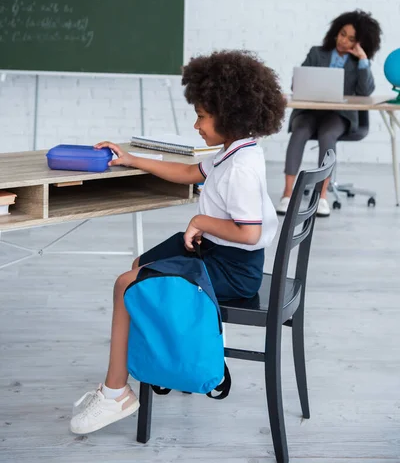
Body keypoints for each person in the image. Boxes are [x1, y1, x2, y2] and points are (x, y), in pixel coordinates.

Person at [69, 50, 286, 435]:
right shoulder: (234, 151)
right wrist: (131, 158)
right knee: (139, 267)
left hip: (234, 271)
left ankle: (116, 392)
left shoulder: (239, 169)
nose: (196, 123)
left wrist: (202, 219)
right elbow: (188, 170)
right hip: (219, 253)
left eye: (202, 115)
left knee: (125, 284)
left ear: (230, 115)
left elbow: (250, 234)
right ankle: (163, 360)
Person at [276, 10, 382, 218]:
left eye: (351, 39)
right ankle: (287, 194)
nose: (344, 41)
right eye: (342, 34)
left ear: (360, 43)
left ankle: (321, 197)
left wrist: (363, 60)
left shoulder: (357, 62)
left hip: (338, 115)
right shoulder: (317, 53)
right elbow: (297, 83)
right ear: (335, 32)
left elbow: (365, 92)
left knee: (327, 135)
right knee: (300, 132)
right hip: (309, 110)